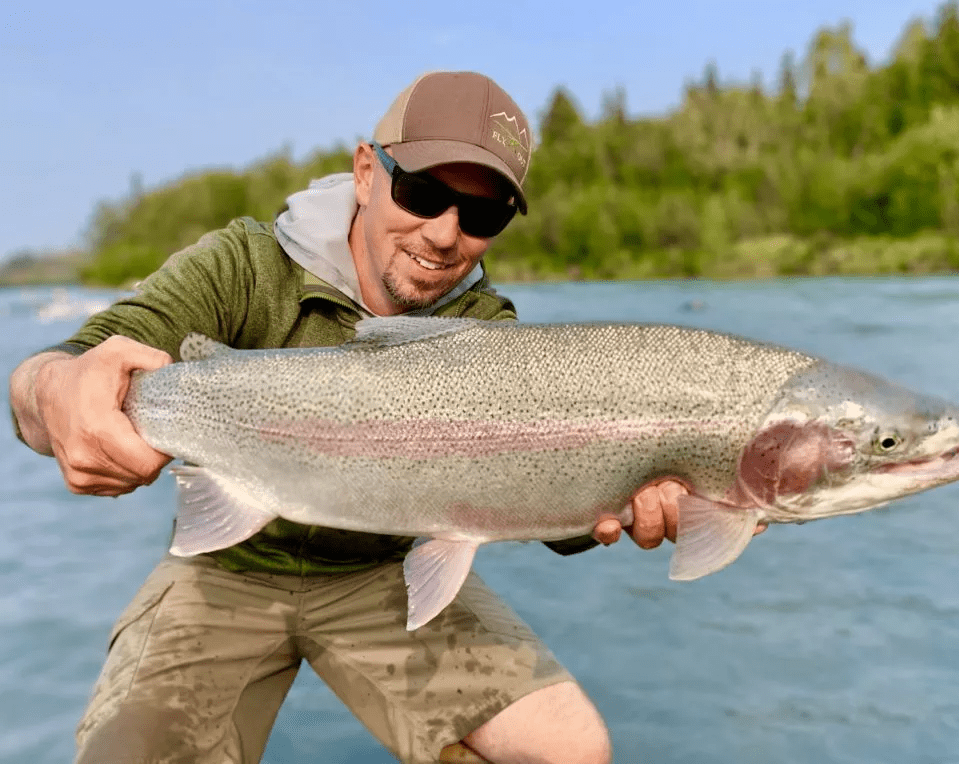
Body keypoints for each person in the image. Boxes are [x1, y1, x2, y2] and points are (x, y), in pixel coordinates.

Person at [9, 71, 757, 764]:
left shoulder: (484, 326)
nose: (445, 233)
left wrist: (631, 488)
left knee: (571, 749)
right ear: (367, 171)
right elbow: (58, 372)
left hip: (385, 573)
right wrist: (54, 393)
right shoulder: (241, 265)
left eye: (483, 212)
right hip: (226, 567)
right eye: (426, 192)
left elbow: (532, 498)